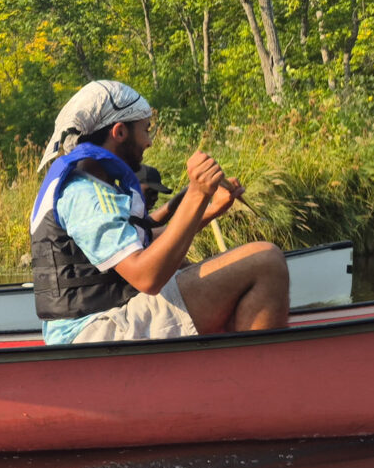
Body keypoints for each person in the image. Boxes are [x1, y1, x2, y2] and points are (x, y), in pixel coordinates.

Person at [29, 80, 288, 345]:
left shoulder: (91, 185)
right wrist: (197, 194)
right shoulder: (85, 193)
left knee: (197, 268)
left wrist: (209, 210)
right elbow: (146, 276)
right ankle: (255, 381)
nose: (149, 141)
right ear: (119, 132)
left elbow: (145, 240)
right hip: (93, 332)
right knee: (265, 261)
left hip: (103, 321)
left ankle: (230, 374)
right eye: (145, 130)